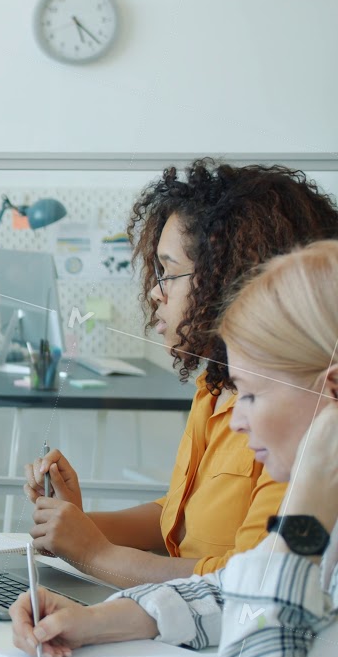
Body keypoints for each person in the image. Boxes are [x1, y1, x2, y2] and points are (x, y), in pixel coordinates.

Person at [11, 239, 338, 657]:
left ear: (332, 391)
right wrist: (95, 621)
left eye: (254, 396)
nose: (237, 421)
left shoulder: (312, 514)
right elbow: (232, 590)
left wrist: (304, 517)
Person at [24, 160, 338, 586]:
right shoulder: (214, 387)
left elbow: (248, 582)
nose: (155, 293)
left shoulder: (295, 417)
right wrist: (74, 525)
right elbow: (176, 516)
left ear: (227, 276)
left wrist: (95, 553)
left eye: (169, 273)